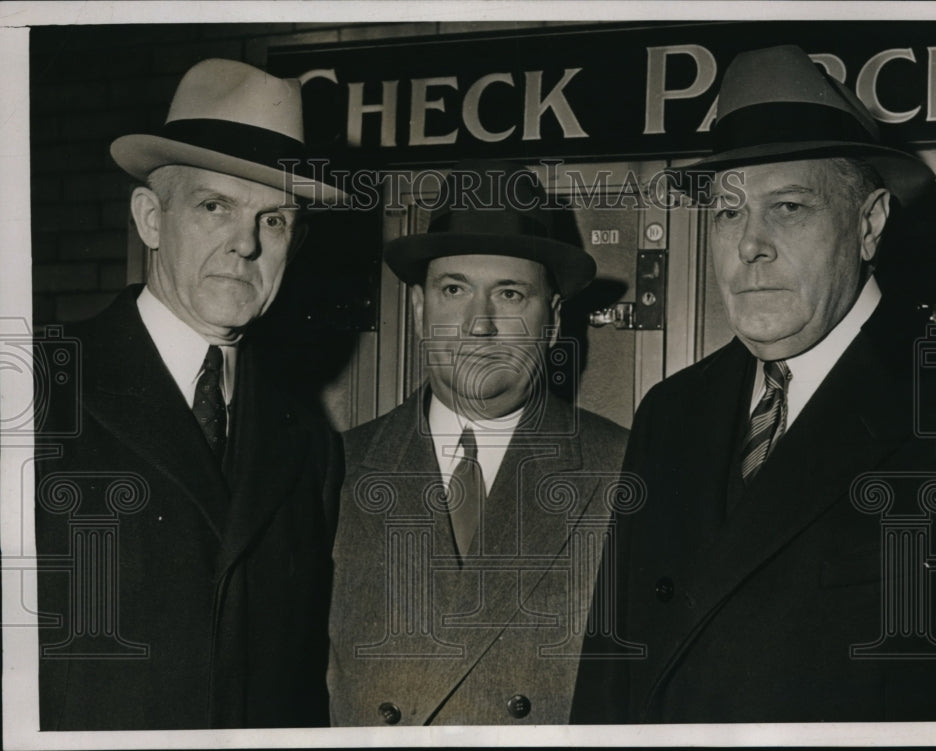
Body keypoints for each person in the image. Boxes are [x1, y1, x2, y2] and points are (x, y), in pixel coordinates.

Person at [571, 44, 936, 723]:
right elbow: (609, 678)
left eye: (790, 207)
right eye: (729, 212)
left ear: (869, 224)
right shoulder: (672, 412)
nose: (750, 245)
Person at [34, 58, 345, 729]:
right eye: (215, 207)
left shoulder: (308, 438)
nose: (245, 244)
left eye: (276, 220)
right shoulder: (37, 386)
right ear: (150, 218)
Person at [327, 161, 629, 725]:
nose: (479, 325)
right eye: (453, 290)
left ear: (553, 320)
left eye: (510, 294)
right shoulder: (336, 468)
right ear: (419, 310)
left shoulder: (621, 469)